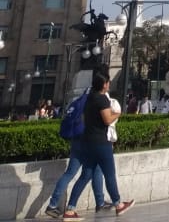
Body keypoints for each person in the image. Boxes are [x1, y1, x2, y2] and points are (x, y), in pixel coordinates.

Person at [61, 71, 134, 218]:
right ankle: (118, 204)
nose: (109, 84)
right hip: (101, 142)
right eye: (108, 82)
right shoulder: (102, 99)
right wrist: (118, 113)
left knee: (85, 175)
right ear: (104, 84)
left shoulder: (89, 99)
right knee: (109, 175)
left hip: (88, 142)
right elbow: (107, 120)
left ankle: (70, 209)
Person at [43, 136, 108, 217]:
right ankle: (98, 203)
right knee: (93, 172)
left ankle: (52, 205)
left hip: (77, 143)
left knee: (69, 174)